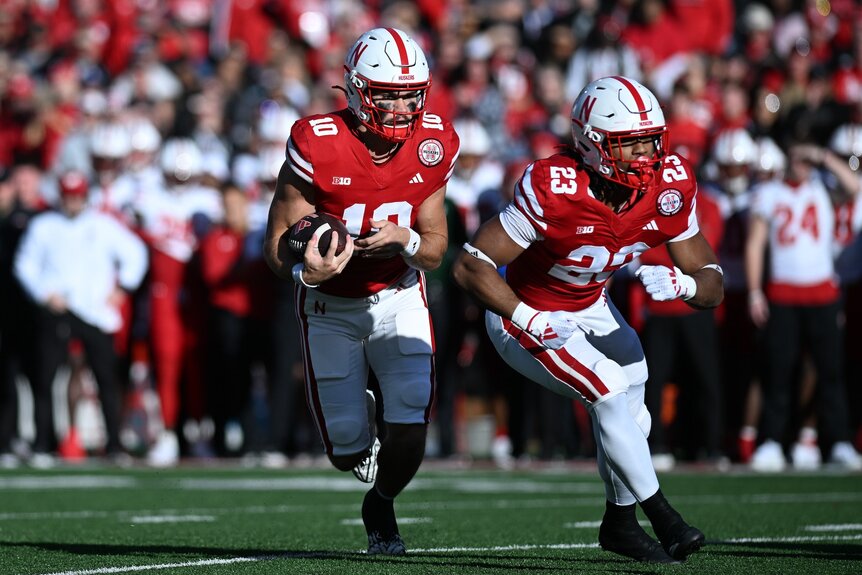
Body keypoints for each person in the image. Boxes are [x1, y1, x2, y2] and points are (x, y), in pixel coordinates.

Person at [453, 76, 722, 564]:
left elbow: (711, 278)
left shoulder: (670, 183)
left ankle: (618, 523)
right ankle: (666, 518)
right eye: (630, 144)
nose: (645, 155)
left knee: (632, 410)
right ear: (592, 145)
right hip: (526, 311)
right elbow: (471, 264)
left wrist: (686, 286)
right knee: (609, 392)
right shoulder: (554, 187)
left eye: (650, 141)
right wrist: (526, 317)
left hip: (592, 306)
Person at [263, 27, 459, 555]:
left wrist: (408, 238)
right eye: (387, 94)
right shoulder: (316, 142)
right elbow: (276, 247)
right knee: (347, 445)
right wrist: (308, 270)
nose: (400, 107)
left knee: (413, 415)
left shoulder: (434, 143)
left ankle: (383, 502)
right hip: (329, 305)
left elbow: (437, 248)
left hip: (398, 292)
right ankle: (359, 438)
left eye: (409, 94)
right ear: (353, 90)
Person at [14, 170, 148, 465]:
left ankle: (113, 444)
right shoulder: (44, 226)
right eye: (68, 196)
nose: (73, 202)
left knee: (105, 379)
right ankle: (42, 444)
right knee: (46, 378)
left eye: (77, 196)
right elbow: (25, 264)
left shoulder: (103, 226)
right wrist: (44, 293)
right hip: (56, 310)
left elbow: (135, 254)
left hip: (95, 313)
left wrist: (123, 287)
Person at [746, 142, 862, 472]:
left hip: (823, 292)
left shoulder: (823, 186)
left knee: (830, 372)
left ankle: (839, 440)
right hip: (783, 292)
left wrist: (822, 155)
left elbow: (854, 186)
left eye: (806, 159)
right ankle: (771, 441)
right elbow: (755, 244)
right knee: (779, 372)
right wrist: (756, 292)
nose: (802, 164)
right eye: (797, 157)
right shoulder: (769, 192)